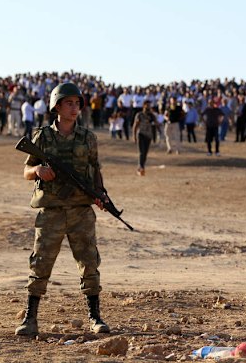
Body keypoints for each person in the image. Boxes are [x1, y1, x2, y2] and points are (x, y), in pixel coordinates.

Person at [16, 82, 110, 337]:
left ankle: (95, 317)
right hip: (52, 211)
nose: (75, 108)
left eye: (78, 103)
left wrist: (101, 195)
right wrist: (37, 171)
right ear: (56, 106)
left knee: (89, 262)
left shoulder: (88, 138)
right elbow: (26, 170)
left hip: (81, 210)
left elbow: (95, 170)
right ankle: (30, 318)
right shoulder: (42, 137)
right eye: (69, 103)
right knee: (41, 263)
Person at [132, 100, 157, 176]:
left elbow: (154, 126)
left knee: (145, 153)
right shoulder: (139, 115)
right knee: (141, 152)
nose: (148, 107)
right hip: (141, 134)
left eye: (149, 105)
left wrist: (154, 136)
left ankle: (142, 167)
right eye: (147, 105)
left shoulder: (152, 116)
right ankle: (141, 167)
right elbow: (135, 125)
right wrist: (134, 136)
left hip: (148, 135)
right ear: (143, 105)